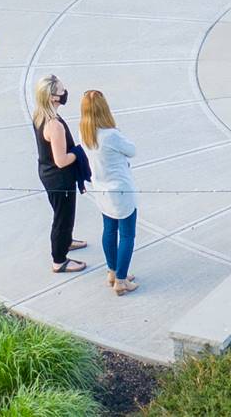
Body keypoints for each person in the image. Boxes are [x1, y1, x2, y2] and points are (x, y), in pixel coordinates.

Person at [79, 89, 139, 295]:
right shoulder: (111, 135)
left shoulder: (84, 132)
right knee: (127, 235)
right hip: (120, 191)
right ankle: (121, 281)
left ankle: (112, 271)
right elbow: (132, 150)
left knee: (109, 230)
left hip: (101, 190)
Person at [32, 74, 89, 273]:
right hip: (59, 178)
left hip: (47, 172)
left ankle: (66, 241)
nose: (65, 94)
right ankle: (59, 260)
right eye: (61, 91)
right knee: (62, 217)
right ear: (52, 98)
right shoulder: (53, 125)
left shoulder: (39, 114)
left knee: (65, 215)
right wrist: (81, 151)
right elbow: (62, 160)